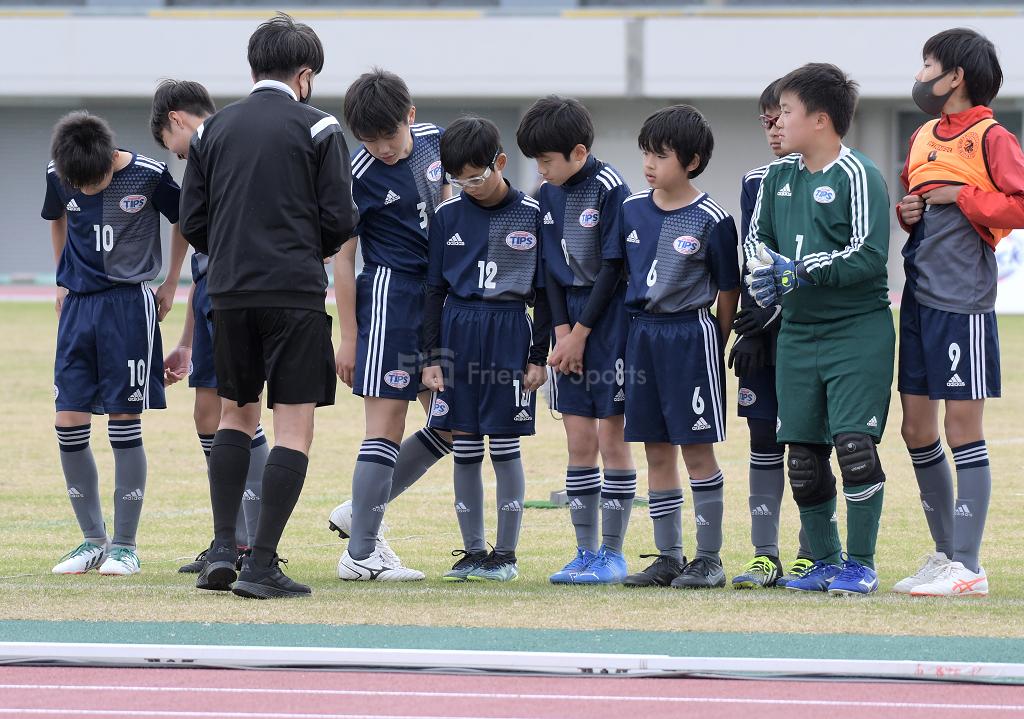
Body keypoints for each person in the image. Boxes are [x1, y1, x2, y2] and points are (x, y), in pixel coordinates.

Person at [179, 13, 358, 599]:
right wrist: (304, 250)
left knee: (236, 416)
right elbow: (339, 219)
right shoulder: (320, 126)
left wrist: (232, 255)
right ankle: (261, 567)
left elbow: (194, 222)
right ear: (304, 75)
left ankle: (222, 551)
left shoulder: (212, 130)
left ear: (254, 67)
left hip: (228, 293)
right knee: (294, 427)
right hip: (294, 293)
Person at [744, 63, 893, 596]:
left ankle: (861, 563)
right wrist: (763, 275)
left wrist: (800, 270)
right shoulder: (775, 179)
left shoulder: (858, 175)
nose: (778, 123)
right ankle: (825, 562)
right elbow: (756, 242)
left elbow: (870, 256)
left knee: (854, 446)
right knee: (803, 458)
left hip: (856, 330)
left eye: (786, 111)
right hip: (797, 334)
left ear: (821, 120)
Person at [894, 28, 1024, 597]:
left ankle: (968, 565)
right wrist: (910, 209)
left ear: (956, 77)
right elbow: (917, 203)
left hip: (962, 302)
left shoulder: (993, 137)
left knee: (960, 427)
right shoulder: (923, 135)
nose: (920, 74)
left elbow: (1019, 204)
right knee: (915, 428)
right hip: (918, 299)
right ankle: (944, 556)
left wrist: (962, 198)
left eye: (928, 64)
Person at [44, 110, 186, 576]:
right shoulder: (59, 172)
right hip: (78, 310)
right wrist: (62, 279)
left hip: (128, 307)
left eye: (95, 182)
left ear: (110, 159)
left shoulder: (148, 174)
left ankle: (125, 545)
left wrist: (170, 283)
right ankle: (90, 540)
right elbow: (57, 218)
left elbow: (185, 219)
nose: (86, 192)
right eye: (77, 186)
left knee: (124, 420)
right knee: (68, 420)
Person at [332, 68, 452, 582]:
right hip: (390, 298)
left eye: (389, 135)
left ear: (411, 116)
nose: (381, 148)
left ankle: (359, 512)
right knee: (385, 427)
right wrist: (350, 336)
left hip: (442, 300)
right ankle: (360, 555)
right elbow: (342, 257)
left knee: (453, 423)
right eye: (369, 139)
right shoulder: (354, 172)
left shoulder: (440, 144)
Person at [421, 116, 550, 583]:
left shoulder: (533, 215)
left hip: (509, 329)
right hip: (458, 329)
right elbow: (433, 289)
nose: (469, 187)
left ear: (499, 163)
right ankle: (473, 550)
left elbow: (548, 294)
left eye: (476, 177)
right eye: (459, 180)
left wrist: (538, 356)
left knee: (506, 443)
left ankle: (506, 554)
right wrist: (431, 356)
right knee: (465, 444)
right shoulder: (446, 216)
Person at [618, 105, 740, 590]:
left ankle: (709, 559)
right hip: (642, 335)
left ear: (690, 161)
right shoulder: (630, 210)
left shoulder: (713, 219)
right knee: (656, 448)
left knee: (696, 448)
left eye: (660, 155)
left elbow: (729, 289)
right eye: (645, 152)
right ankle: (668, 557)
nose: (649, 163)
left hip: (691, 335)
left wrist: (718, 335)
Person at [515, 96, 636, 585]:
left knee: (612, 437)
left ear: (579, 153)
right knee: (578, 439)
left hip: (608, 325)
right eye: (536, 163)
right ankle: (584, 551)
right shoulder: (547, 195)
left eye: (546, 161)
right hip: (569, 327)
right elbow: (548, 274)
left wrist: (582, 333)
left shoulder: (611, 188)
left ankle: (613, 552)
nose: (540, 171)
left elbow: (613, 269)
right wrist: (560, 335)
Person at [151, 79, 269, 573]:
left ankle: (254, 539)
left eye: (167, 144)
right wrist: (184, 340)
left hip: (243, 294)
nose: (174, 156)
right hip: (211, 296)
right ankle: (230, 535)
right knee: (206, 413)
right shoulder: (204, 157)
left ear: (176, 119)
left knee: (239, 413)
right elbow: (199, 244)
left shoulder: (223, 146)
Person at [728, 79, 814, 590]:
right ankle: (765, 554)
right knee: (762, 437)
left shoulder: (835, 177)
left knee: (807, 441)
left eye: (781, 117)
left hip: (810, 329)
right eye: (766, 120)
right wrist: (753, 325)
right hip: (765, 330)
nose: (774, 128)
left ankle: (812, 551)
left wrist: (780, 314)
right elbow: (752, 255)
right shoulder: (756, 180)